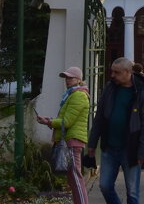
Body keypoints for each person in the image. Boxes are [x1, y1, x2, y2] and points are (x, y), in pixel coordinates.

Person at [87, 57, 144, 204]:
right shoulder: (109, 88)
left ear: (128, 72)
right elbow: (99, 118)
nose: (112, 75)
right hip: (109, 148)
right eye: (112, 72)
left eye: (116, 72)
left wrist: (143, 151)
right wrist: (92, 144)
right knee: (104, 186)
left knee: (133, 192)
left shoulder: (143, 93)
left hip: (131, 149)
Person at [37, 66, 92, 204]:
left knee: (76, 178)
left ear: (79, 79)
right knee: (73, 179)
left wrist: (48, 122)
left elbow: (66, 122)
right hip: (70, 140)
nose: (67, 80)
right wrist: (50, 121)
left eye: (70, 77)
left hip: (72, 141)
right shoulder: (71, 94)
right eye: (66, 78)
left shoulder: (78, 95)